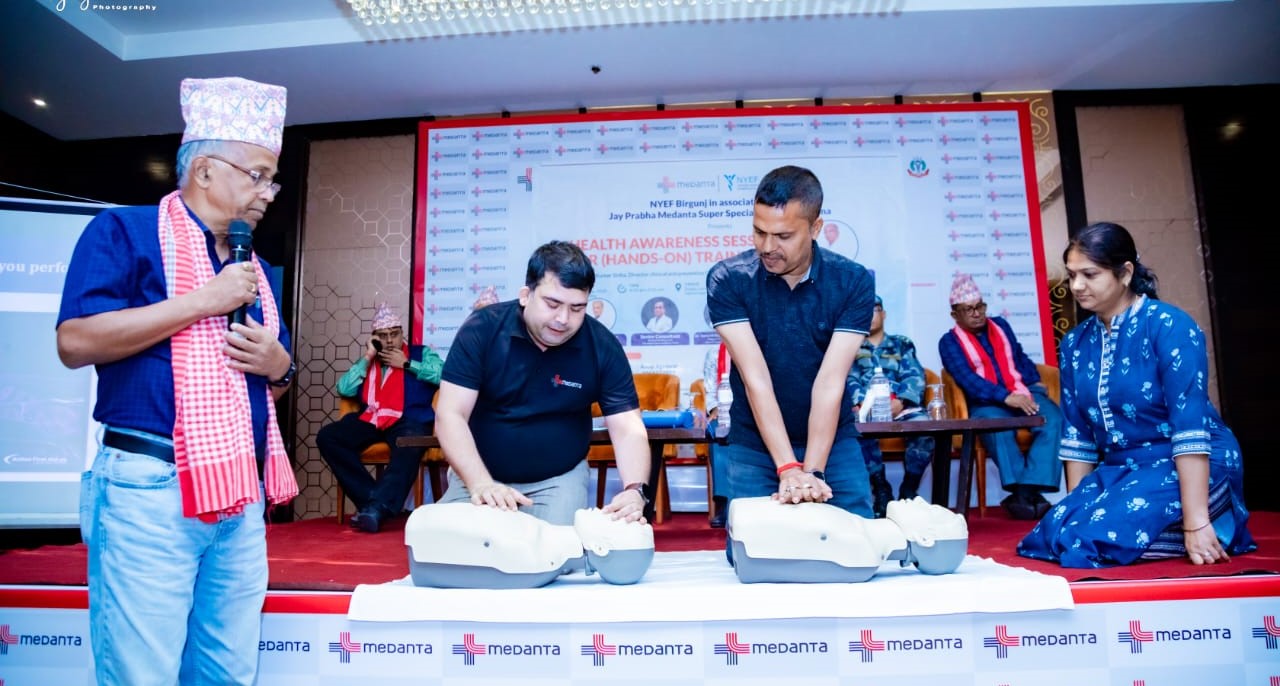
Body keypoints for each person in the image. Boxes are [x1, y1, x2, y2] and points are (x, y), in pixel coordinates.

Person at [56, 77, 297, 686]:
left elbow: (270, 385)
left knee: (227, 672)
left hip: (239, 490)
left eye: (272, 180)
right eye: (258, 175)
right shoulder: (126, 232)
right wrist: (202, 302)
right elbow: (75, 342)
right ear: (206, 170)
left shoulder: (253, 268)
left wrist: (278, 365)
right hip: (149, 487)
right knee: (143, 673)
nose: (268, 193)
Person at [1018, 222, 1256, 567]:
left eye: (1089, 274)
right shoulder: (1075, 344)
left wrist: (1195, 522)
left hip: (1185, 461)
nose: (1076, 286)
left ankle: (1210, 522)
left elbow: (1189, 429)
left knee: (1089, 541)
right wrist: (1076, 506)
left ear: (1125, 273)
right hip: (1122, 469)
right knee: (1050, 537)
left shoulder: (1169, 326)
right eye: (1071, 275)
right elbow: (1078, 436)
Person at [433, 241, 651, 525]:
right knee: (447, 544)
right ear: (526, 295)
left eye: (577, 308)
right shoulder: (482, 330)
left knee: (555, 547)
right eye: (552, 304)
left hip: (558, 481)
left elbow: (627, 427)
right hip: (478, 475)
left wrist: (634, 490)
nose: (563, 319)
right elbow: (450, 414)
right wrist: (480, 483)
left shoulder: (602, 346)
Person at [706, 165, 875, 517]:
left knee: (856, 540)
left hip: (833, 442)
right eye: (759, 232)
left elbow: (830, 382)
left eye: (783, 236)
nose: (767, 247)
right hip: (755, 446)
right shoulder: (729, 279)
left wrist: (812, 472)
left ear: (815, 228)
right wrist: (787, 468)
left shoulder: (852, 281)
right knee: (755, 545)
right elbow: (756, 379)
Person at [938, 273, 1062, 520]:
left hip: (1022, 391)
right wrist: (1005, 396)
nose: (977, 313)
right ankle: (1028, 496)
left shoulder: (1001, 326)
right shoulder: (949, 342)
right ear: (955, 314)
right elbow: (967, 380)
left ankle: (1024, 492)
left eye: (980, 306)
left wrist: (1033, 380)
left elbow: (1018, 356)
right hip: (985, 402)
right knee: (997, 426)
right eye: (969, 309)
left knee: (1053, 419)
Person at [317, 302, 443, 533]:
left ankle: (375, 508)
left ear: (402, 334)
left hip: (410, 418)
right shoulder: (369, 361)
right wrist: (368, 356)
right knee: (328, 437)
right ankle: (375, 502)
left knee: (409, 442)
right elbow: (344, 388)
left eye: (394, 334)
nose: (390, 340)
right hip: (372, 418)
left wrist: (407, 364)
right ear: (375, 338)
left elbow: (443, 375)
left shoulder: (421, 353)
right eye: (383, 336)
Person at [847, 295, 935, 517]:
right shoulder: (851, 346)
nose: (869, 315)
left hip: (900, 406)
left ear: (884, 314)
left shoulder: (901, 343)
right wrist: (862, 402)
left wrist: (902, 401)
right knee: (854, 427)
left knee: (924, 426)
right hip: (866, 407)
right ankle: (881, 489)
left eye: (875, 309)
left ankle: (909, 489)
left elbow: (915, 376)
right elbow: (849, 379)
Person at [701, 343, 732, 527]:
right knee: (717, 431)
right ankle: (725, 502)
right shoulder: (715, 353)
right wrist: (715, 409)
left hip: (754, 411)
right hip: (724, 410)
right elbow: (710, 391)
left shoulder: (760, 345)